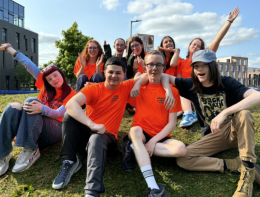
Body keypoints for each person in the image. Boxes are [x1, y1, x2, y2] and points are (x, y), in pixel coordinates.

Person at [51, 56, 175, 196]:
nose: (114, 76)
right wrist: (92, 124)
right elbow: (70, 104)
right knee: (69, 116)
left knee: (96, 139)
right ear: (104, 72)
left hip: (106, 141)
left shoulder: (125, 86)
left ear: (123, 74)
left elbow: (154, 73)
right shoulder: (93, 89)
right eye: (110, 72)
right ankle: (70, 160)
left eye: (118, 73)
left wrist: (139, 84)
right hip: (87, 136)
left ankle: (91, 192)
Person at [150, 49, 260, 197]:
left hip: (234, 130)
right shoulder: (191, 85)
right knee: (183, 159)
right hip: (214, 136)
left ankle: (247, 174)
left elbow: (257, 96)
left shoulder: (227, 82)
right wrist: (168, 90)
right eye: (196, 66)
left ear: (213, 66)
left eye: (204, 65)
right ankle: (234, 164)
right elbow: (163, 76)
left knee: (244, 114)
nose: (199, 69)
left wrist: (224, 113)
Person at [0, 43, 76, 176]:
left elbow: (59, 113)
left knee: (31, 102)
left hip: (53, 130)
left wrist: (43, 109)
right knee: (12, 107)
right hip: (32, 126)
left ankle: (31, 150)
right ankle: (2, 154)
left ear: (61, 74)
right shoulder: (44, 85)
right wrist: (9, 49)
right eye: (49, 79)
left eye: (56, 76)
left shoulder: (73, 95)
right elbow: (28, 64)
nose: (53, 80)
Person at [121, 50, 186, 196]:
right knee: (135, 132)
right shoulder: (138, 87)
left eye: (158, 65)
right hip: (141, 132)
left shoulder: (173, 92)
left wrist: (153, 142)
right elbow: (116, 87)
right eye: (150, 64)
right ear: (145, 67)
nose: (154, 68)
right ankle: (153, 186)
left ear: (164, 68)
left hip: (161, 136)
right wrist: (137, 83)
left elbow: (172, 124)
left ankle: (135, 148)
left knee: (181, 149)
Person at [177, 7, 239, 128]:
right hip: (188, 92)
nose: (195, 47)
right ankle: (189, 113)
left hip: (201, 90)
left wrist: (229, 22)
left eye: (198, 46)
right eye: (193, 44)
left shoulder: (205, 56)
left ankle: (190, 113)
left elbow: (217, 40)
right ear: (189, 46)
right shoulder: (182, 62)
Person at [157, 36, 183, 116]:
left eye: (170, 41)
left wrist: (176, 51)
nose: (168, 43)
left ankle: (176, 111)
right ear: (162, 45)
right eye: (166, 42)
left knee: (175, 90)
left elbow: (173, 64)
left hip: (172, 83)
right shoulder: (160, 57)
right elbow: (156, 50)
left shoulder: (178, 58)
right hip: (160, 82)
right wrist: (163, 50)